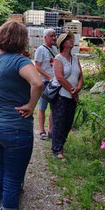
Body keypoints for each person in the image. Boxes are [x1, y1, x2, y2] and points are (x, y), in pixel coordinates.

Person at [0, 21, 43, 210]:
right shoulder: (20, 61)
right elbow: (37, 83)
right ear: (21, 39)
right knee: (12, 179)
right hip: (15, 128)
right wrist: (31, 105)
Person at [51, 31, 83, 161]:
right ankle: (57, 149)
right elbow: (59, 77)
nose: (71, 41)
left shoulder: (75, 59)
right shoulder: (58, 59)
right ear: (63, 43)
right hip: (61, 95)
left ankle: (61, 145)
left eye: (72, 39)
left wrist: (78, 88)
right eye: (68, 39)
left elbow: (80, 76)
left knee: (68, 123)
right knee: (59, 122)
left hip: (72, 96)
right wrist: (72, 90)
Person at [34, 28, 58, 140]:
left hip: (54, 82)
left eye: (54, 36)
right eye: (51, 36)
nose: (54, 38)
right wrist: (49, 77)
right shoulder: (40, 50)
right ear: (45, 37)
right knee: (42, 107)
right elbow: (37, 67)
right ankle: (42, 130)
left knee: (53, 108)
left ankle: (51, 130)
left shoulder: (54, 49)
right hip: (45, 82)